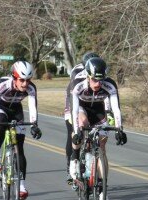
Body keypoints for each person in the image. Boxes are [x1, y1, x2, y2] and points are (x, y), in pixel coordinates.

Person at [68, 57, 127, 200]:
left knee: (102, 143)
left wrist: (120, 129)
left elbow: (116, 108)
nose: (98, 83)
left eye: (101, 80)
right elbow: (74, 110)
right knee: (82, 124)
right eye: (94, 80)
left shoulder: (110, 85)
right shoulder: (78, 85)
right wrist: (77, 132)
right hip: (82, 107)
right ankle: (75, 158)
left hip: (98, 109)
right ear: (88, 76)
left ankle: (101, 188)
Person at [0, 61, 42, 199]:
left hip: (16, 110)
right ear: (14, 77)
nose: (25, 84)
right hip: (2, 108)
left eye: (28, 80)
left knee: (20, 148)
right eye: (21, 80)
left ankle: (22, 185)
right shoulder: (2, 85)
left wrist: (34, 125)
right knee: (0, 125)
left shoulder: (31, 88)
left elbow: (32, 107)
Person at [64, 52, 114, 184]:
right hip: (76, 101)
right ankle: (72, 162)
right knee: (75, 130)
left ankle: (101, 182)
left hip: (95, 103)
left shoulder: (101, 74)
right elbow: (73, 99)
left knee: (101, 143)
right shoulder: (77, 73)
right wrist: (77, 128)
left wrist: (109, 112)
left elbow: (107, 96)